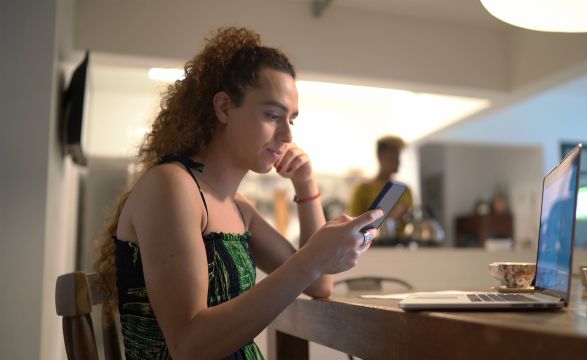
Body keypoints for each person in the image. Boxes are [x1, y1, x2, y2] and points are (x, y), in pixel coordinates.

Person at [94, 27, 382, 360]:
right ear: (224, 108)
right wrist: (312, 258)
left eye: (292, 119)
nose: (287, 134)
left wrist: (306, 186)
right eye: (273, 116)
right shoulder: (171, 187)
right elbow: (189, 345)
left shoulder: (236, 206)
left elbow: (318, 284)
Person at [348, 135, 413, 240]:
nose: (398, 161)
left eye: (399, 157)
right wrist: (390, 218)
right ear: (380, 156)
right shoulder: (363, 189)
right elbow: (354, 225)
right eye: (394, 156)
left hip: (402, 246)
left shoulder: (406, 190)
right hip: (373, 247)